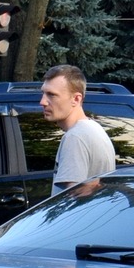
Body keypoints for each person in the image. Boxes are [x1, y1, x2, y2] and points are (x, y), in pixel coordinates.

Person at [41, 64, 117, 194]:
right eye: (43, 93)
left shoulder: (75, 137)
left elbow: (76, 197)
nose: (42, 102)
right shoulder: (93, 128)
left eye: (52, 95)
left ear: (76, 99)